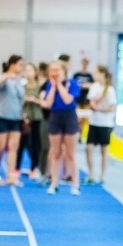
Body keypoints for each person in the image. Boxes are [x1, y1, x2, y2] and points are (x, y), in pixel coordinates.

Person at [41, 61, 81, 195]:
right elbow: (48, 103)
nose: (54, 73)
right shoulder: (48, 85)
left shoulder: (73, 84)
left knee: (70, 153)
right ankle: (54, 183)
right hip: (55, 117)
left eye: (57, 70)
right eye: (52, 71)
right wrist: (53, 87)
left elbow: (68, 100)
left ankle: (75, 184)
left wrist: (59, 85)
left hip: (69, 117)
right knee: (55, 152)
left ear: (63, 71)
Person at [0, 55, 25, 186]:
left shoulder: (20, 81)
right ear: (12, 64)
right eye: (20, 65)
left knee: (13, 148)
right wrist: (6, 76)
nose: (22, 68)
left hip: (16, 118)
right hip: (1, 117)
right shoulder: (4, 78)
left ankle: (11, 175)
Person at [84, 65, 116, 185]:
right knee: (88, 148)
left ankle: (102, 175)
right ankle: (91, 174)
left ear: (102, 74)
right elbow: (91, 103)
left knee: (104, 150)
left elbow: (111, 107)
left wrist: (100, 108)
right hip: (94, 122)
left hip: (105, 123)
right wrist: (95, 106)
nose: (93, 75)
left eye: (96, 72)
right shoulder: (94, 87)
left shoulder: (110, 89)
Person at [20, 64, 44, 180]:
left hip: (37, 118)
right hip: (25, 118)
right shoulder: (22, 87)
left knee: (36, 144)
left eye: (30, 70)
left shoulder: (40, 87)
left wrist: (34, 100)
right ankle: (16, 168)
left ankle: (34, 167)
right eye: (26, 70)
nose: (28, 72)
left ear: (35, 72)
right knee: (23, 144)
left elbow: (44, 102)